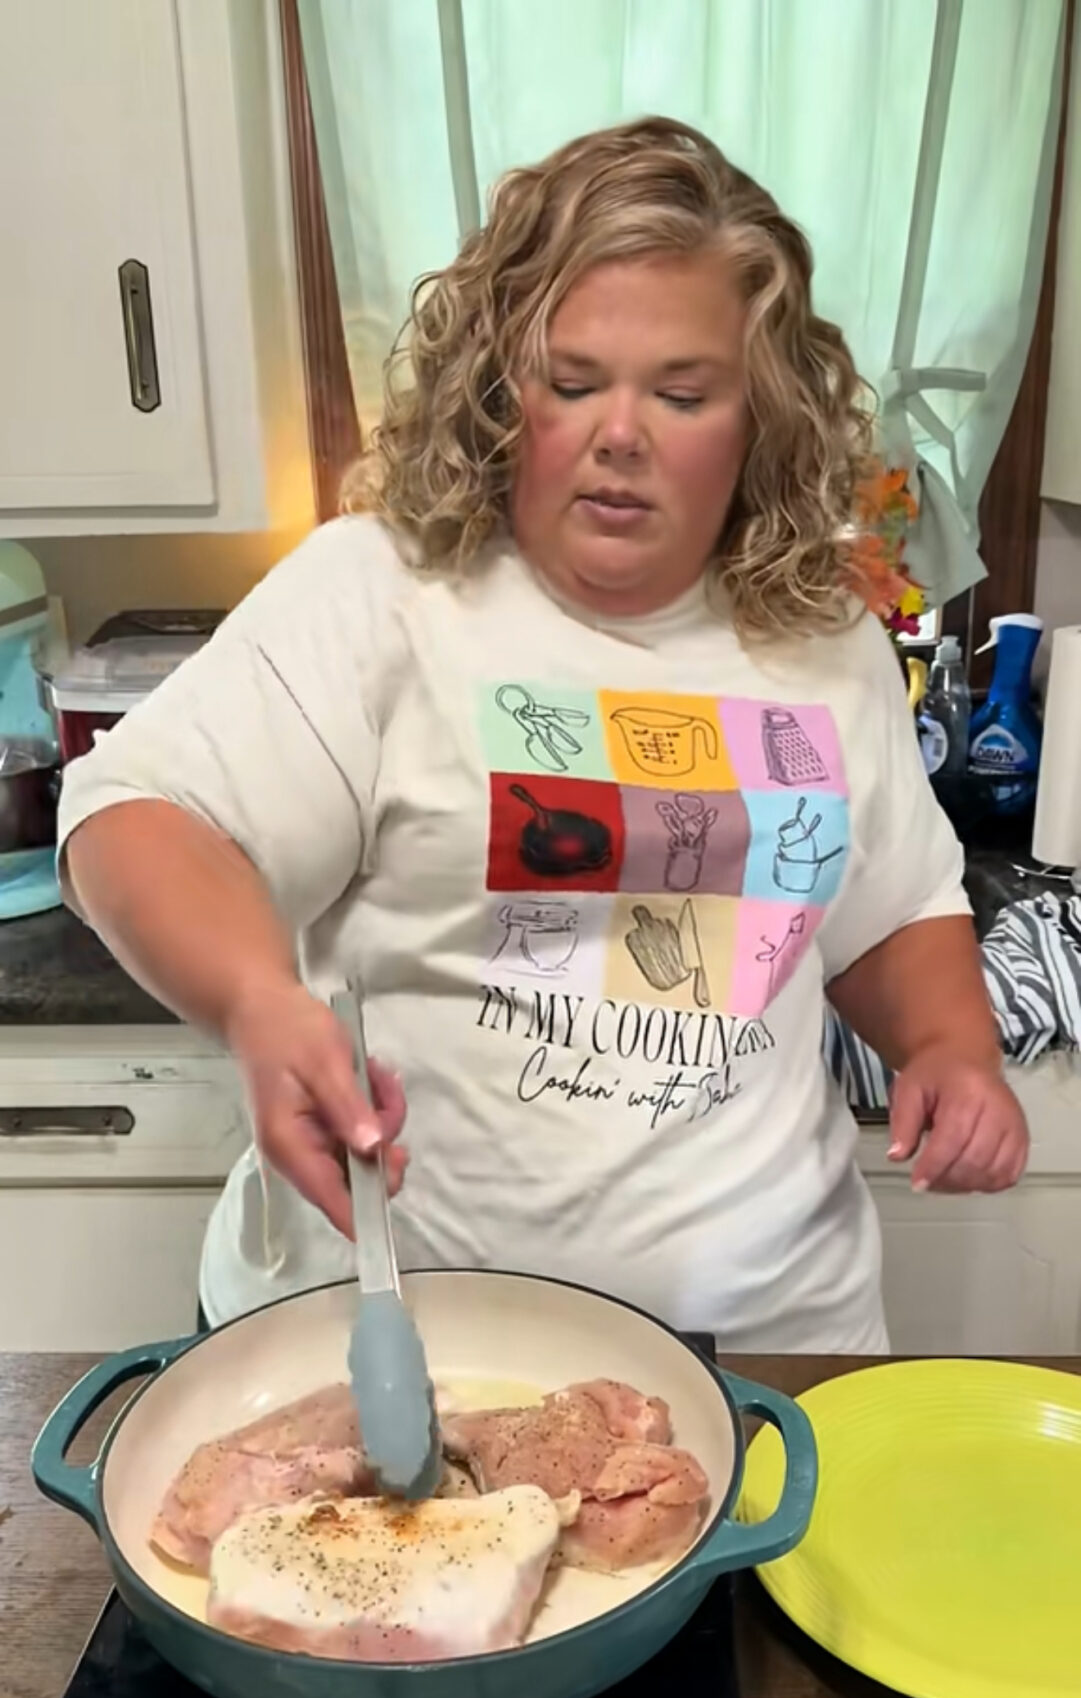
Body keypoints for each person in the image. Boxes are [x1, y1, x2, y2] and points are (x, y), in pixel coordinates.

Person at [58, 117, 1027, 1350]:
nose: (620, 432)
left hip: (765, 1349)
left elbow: (891, 913)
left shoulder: (817, 635)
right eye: (573, 382)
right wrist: (257, 997)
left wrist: (950, 1050)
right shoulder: (382, 594)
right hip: (409, 1350)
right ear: (503, 391)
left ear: (758, 416)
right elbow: (138, 817)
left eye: (681, 392)